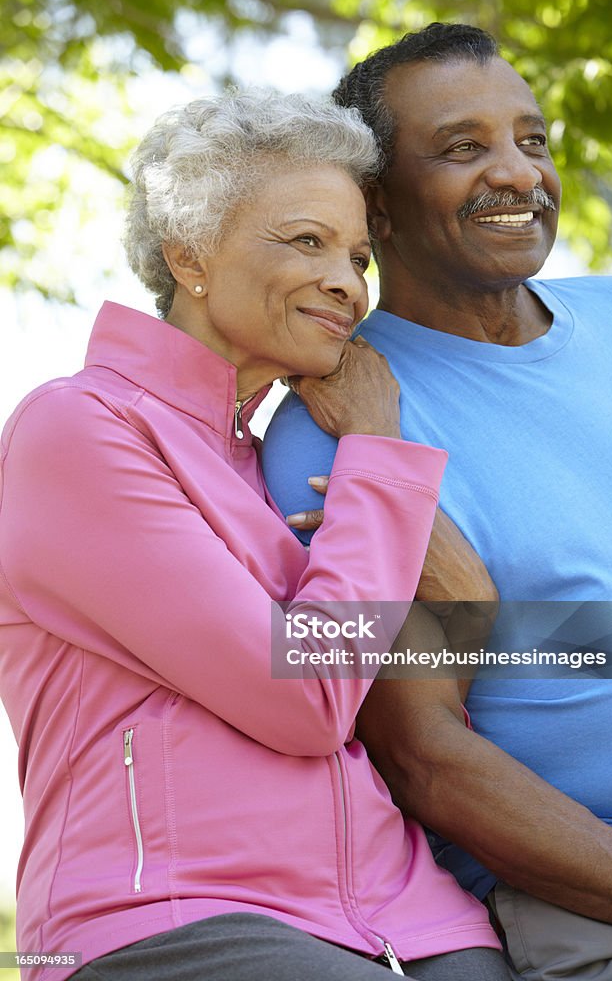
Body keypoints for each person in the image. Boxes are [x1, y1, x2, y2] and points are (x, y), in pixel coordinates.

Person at [0, 88, 509, 981]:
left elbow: (420, 679)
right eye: (305, 242)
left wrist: (464, 594)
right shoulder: (77, 431)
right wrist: (380, 455)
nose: (346, 282)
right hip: (170, 914)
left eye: (357, 255)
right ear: (188, 255)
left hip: (414, 918)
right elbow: (307, 695)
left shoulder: (283, 460)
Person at [261, 23, 612, 979]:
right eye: (462, 148)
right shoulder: (338, 430)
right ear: (374, 202)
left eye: (530, 140)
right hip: (601, 894)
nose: (515, 174)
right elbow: (423, 759)